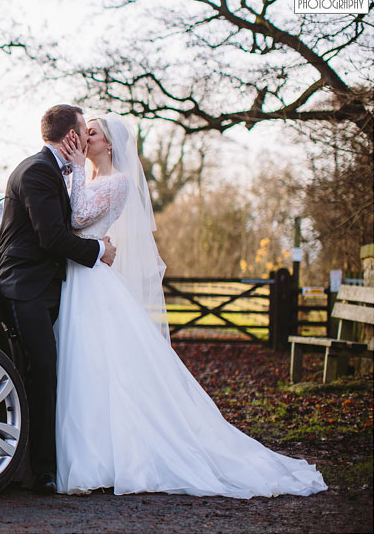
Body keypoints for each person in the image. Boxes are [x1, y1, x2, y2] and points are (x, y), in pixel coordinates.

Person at [53, 113, 327, 498]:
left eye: (91, 132)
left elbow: (79, 216)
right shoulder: (85, 177)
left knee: (103, 368)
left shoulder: (118, 182)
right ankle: (87, 451)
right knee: (86, 367)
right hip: (77, 277)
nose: (84, 137)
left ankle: (106, 458)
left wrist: (77, 168)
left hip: (93, 283)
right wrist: (75, 172)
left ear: (109, 143)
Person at [0, 104, 116, 494]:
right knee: (41, 370)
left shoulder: (55, 170)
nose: (87, 135)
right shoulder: (37, 171)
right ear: (72, 137)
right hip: (24, 285)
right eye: (84, 129)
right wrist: (99, 252)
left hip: (50, 286)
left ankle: (45, 462)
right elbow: (50, 237)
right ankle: (41, 470)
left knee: (50, 370)